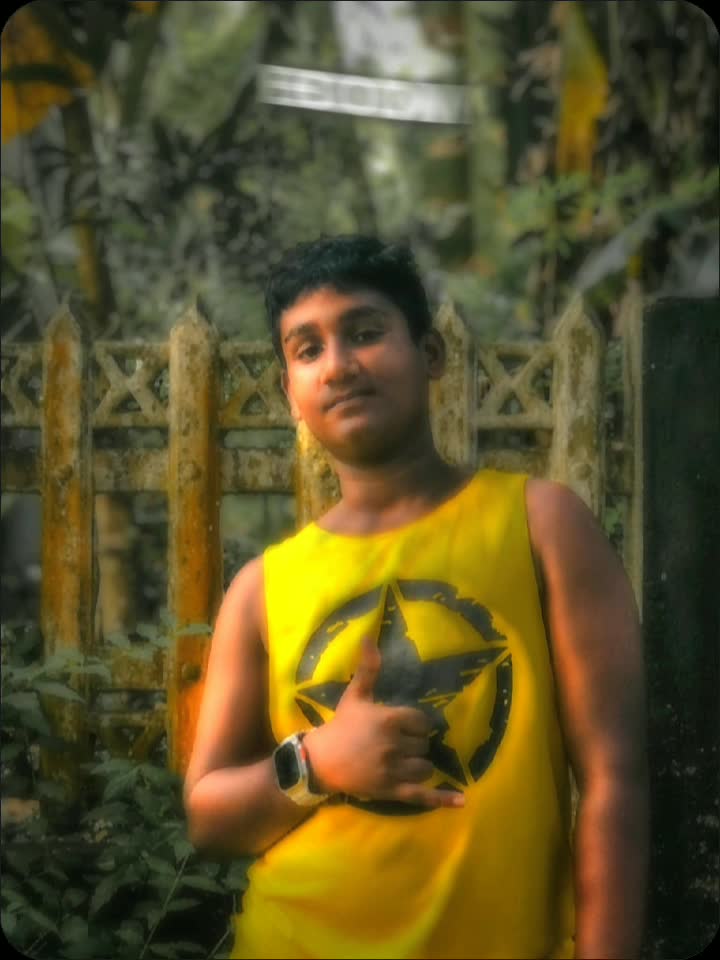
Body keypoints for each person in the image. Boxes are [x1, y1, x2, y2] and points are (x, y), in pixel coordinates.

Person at [183, 234, 649, 960]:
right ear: (290, 395)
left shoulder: (542, 525)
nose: (339, 364)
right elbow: (208, 816)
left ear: (430, 354)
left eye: (365, 332)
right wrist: (317, 762)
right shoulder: (260, 590)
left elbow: (614, 780)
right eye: (308, 349)